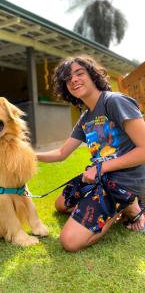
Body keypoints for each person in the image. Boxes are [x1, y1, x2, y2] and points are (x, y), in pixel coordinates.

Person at [37, 55, 145, 252]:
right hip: (100, 176)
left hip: (123, 180)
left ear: (93, 75)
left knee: (70, 241)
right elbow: (62, 153)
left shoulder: (114, 102)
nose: (74, 80)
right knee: (61, 205)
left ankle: (127, 204)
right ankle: (116, 205)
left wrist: (101, 167)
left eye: (80, 73)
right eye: (68, 78)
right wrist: (29, 155)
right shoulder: (86, 117)